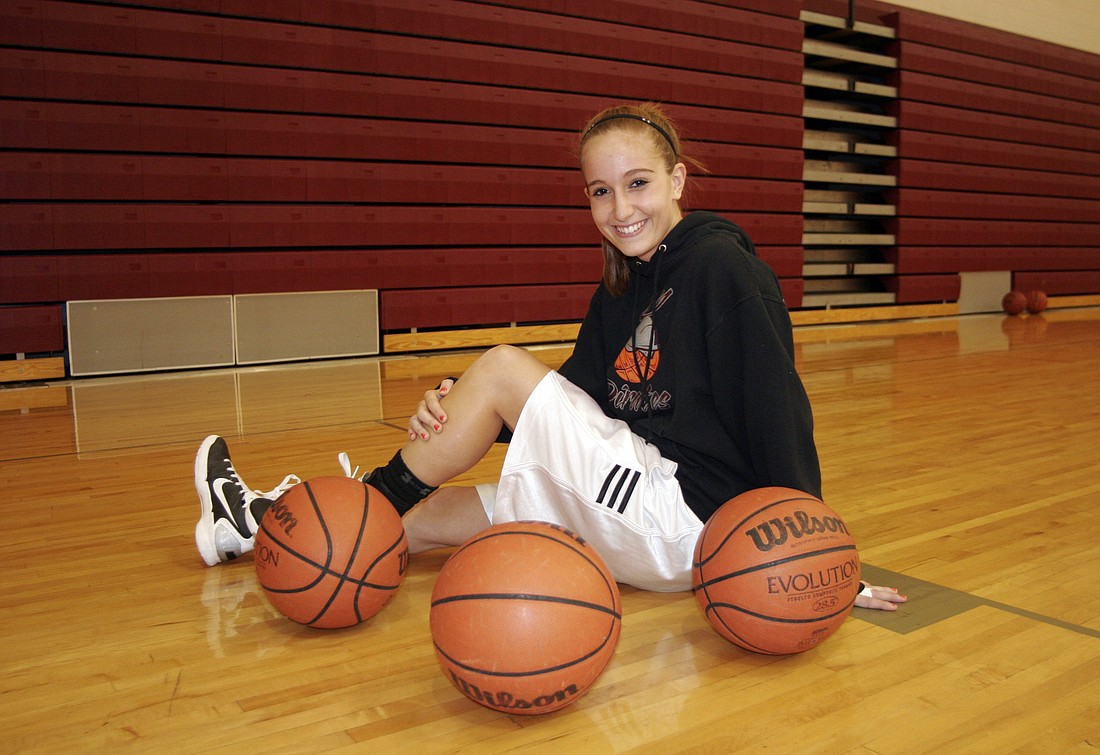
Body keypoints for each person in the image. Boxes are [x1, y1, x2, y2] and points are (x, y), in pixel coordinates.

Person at [194, 103, 905, 611]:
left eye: (639, 183)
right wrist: (460, 399)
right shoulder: (622, 285)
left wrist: (818, 558)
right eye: (600, 191)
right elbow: (577, 397)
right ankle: (256, 519)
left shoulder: (723, 270)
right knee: (429, 516)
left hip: (692, 521)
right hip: (638, 498)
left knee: (502, 366)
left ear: (679, 179)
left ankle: (365, 496)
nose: (620, 208)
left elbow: (778, 415)